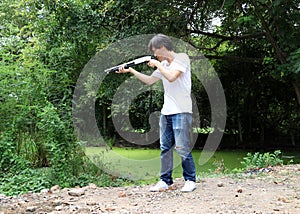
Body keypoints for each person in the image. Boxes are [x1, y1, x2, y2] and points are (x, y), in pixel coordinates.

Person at [117, 34, 196, 192]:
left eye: (156, 51)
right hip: (166, 111)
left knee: (182, 146)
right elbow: (149, 80)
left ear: (163, 47)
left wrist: (158, 65)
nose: (155, 55)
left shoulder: (182, 58)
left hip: (182, 110)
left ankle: (190, 180)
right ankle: (165, 181)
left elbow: (172, 77)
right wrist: (131, 70)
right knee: (165, 147)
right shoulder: (164, 64)